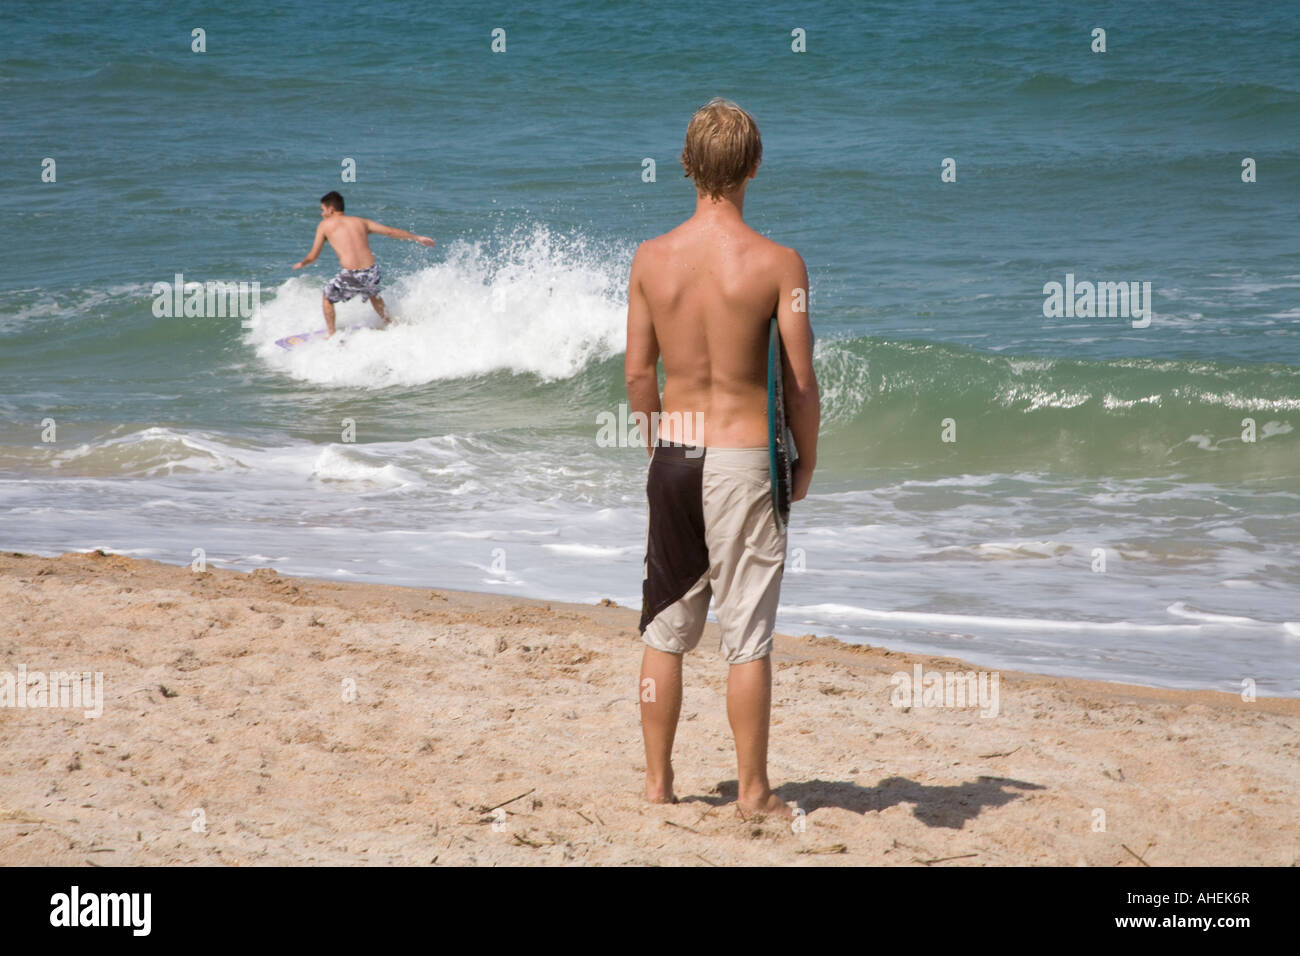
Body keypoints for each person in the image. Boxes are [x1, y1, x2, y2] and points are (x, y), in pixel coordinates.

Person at [625, 98, 820, 819]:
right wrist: (804, 462)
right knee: (747, 637)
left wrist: (656, 443)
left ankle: (656, 784)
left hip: (676, 452)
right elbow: (799, 382)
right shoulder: (779, 264)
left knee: (665, 630)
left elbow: (639, 375)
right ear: (755, 166)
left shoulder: (650, 260)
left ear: (685, 165)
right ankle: (753, 793)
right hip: (746, 459)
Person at [292, 191, 435, 337]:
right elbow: (390, 232)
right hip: (372, 271)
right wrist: (417, 238)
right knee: (372, 293)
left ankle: (331, 335)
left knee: (327, 296)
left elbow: (313, 256)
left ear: (331, 209)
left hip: (353, 274)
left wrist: (302, 263)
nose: (322, 214)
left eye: (322, 210)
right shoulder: (361, 222)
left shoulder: (325, 225)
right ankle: (390, 324)